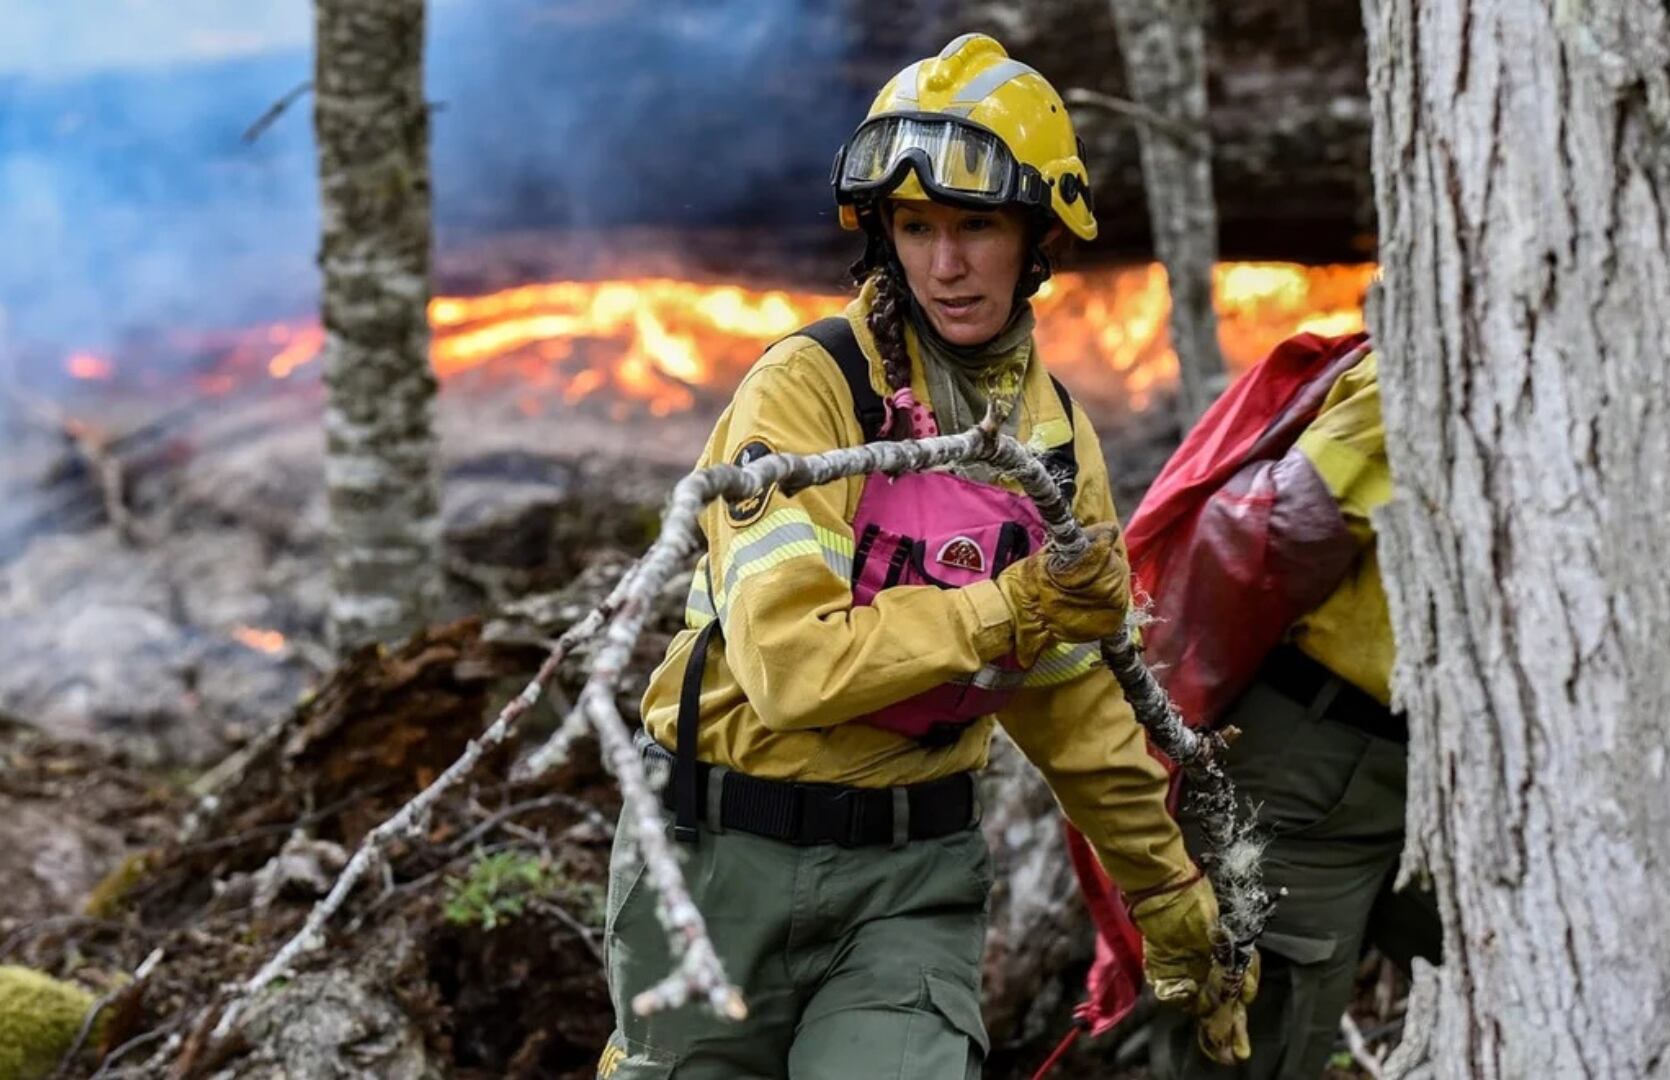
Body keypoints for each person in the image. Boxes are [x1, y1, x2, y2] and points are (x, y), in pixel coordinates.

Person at [597, 33, 1247, 1080]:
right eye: (917, 227)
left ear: (1039, 235)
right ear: (883, 236)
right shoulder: (807, 393)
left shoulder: (1056, 448)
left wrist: (1171, 899)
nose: (946, 264)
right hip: (717, 862)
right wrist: (1016, 605)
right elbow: (790, 669)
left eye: (977, 226)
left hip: (911, 880)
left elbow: (1074, 704)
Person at [1065, 330, 1443, 1078]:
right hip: (1313, 773)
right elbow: (1282, 528)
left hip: (1456, 778)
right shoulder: (1426, 356)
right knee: (1253, 1042)